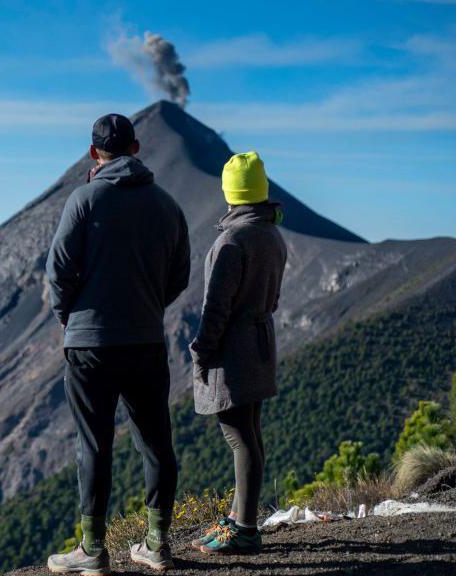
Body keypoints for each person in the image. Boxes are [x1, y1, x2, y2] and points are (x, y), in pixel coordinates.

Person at [45, 113, 190, 574]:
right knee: (156, 443)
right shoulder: (167, 206)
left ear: (93, 153)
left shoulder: (84, 200)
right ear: (137, 148)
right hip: (145, 342)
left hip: (90, 347)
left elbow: (59, 272)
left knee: (94, 445)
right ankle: (157, 544)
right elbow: (179, 277)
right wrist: (147, 305)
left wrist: (70, 319)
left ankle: (92, 551)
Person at [189, 151, 287, 555]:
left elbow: (217, 309)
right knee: (251, 433)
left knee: (238, 438)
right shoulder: (271, 235)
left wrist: (201, 351)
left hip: (234, 351)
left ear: (231, 194)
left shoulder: (230, 241)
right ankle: (237, 519)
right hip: (261, 342)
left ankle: (245, 528)